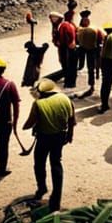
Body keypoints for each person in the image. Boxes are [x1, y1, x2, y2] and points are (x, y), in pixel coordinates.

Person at [22, 78, 76, 210]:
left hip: (44, 138)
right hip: (60, 137)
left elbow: (29, 124)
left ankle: (42, 188)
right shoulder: (65, 99)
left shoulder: (38, 104)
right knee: (56, 163)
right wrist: (70, 135)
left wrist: (25, 126)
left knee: (39, 163)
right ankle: (56, 195)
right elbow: (72, 120)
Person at [76, 12, 102, 94]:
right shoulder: (91, 29)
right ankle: (91, 83)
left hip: (90, 50)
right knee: (90, 67)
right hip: (89, 49)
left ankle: (92, 84)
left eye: (87, 20)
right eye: (85, 20)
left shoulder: (81, 29)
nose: (87, 21)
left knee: (91, 68)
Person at [55, 10, 78, 88]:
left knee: (67, 66)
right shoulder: (67, 25)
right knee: (71, 66)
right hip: (68, 48)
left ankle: (68, 82)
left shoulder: (64, 25)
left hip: (65, 48)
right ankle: (70, 83)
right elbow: (68, 38)